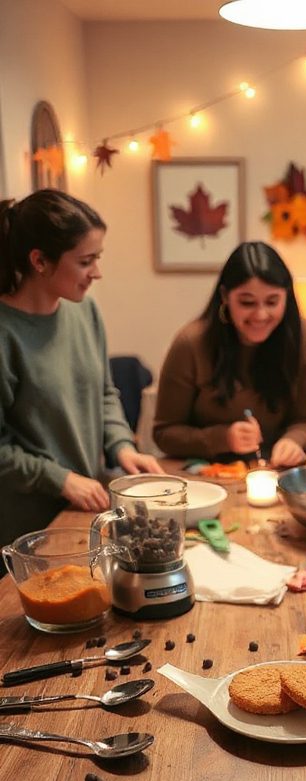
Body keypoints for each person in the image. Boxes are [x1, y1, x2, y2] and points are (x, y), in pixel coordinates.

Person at [0, 188, 163, 549]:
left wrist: (122, 446)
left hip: (83, 512)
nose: (97, 273)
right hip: (28, 530)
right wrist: (59, 479)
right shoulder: (5, 333)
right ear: (40, 261)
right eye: (86, 261)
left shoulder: (84, 311)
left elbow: (104, 393)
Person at [153, 241, 306, 467]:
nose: (260, 314)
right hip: (204, 475)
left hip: (275, 471)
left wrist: (294, 441)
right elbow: (164, 433)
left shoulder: (303, 337)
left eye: (272, 301)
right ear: (225, 296)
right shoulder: (191, 344)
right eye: (247, 302)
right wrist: (222, 438)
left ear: (287, 297)